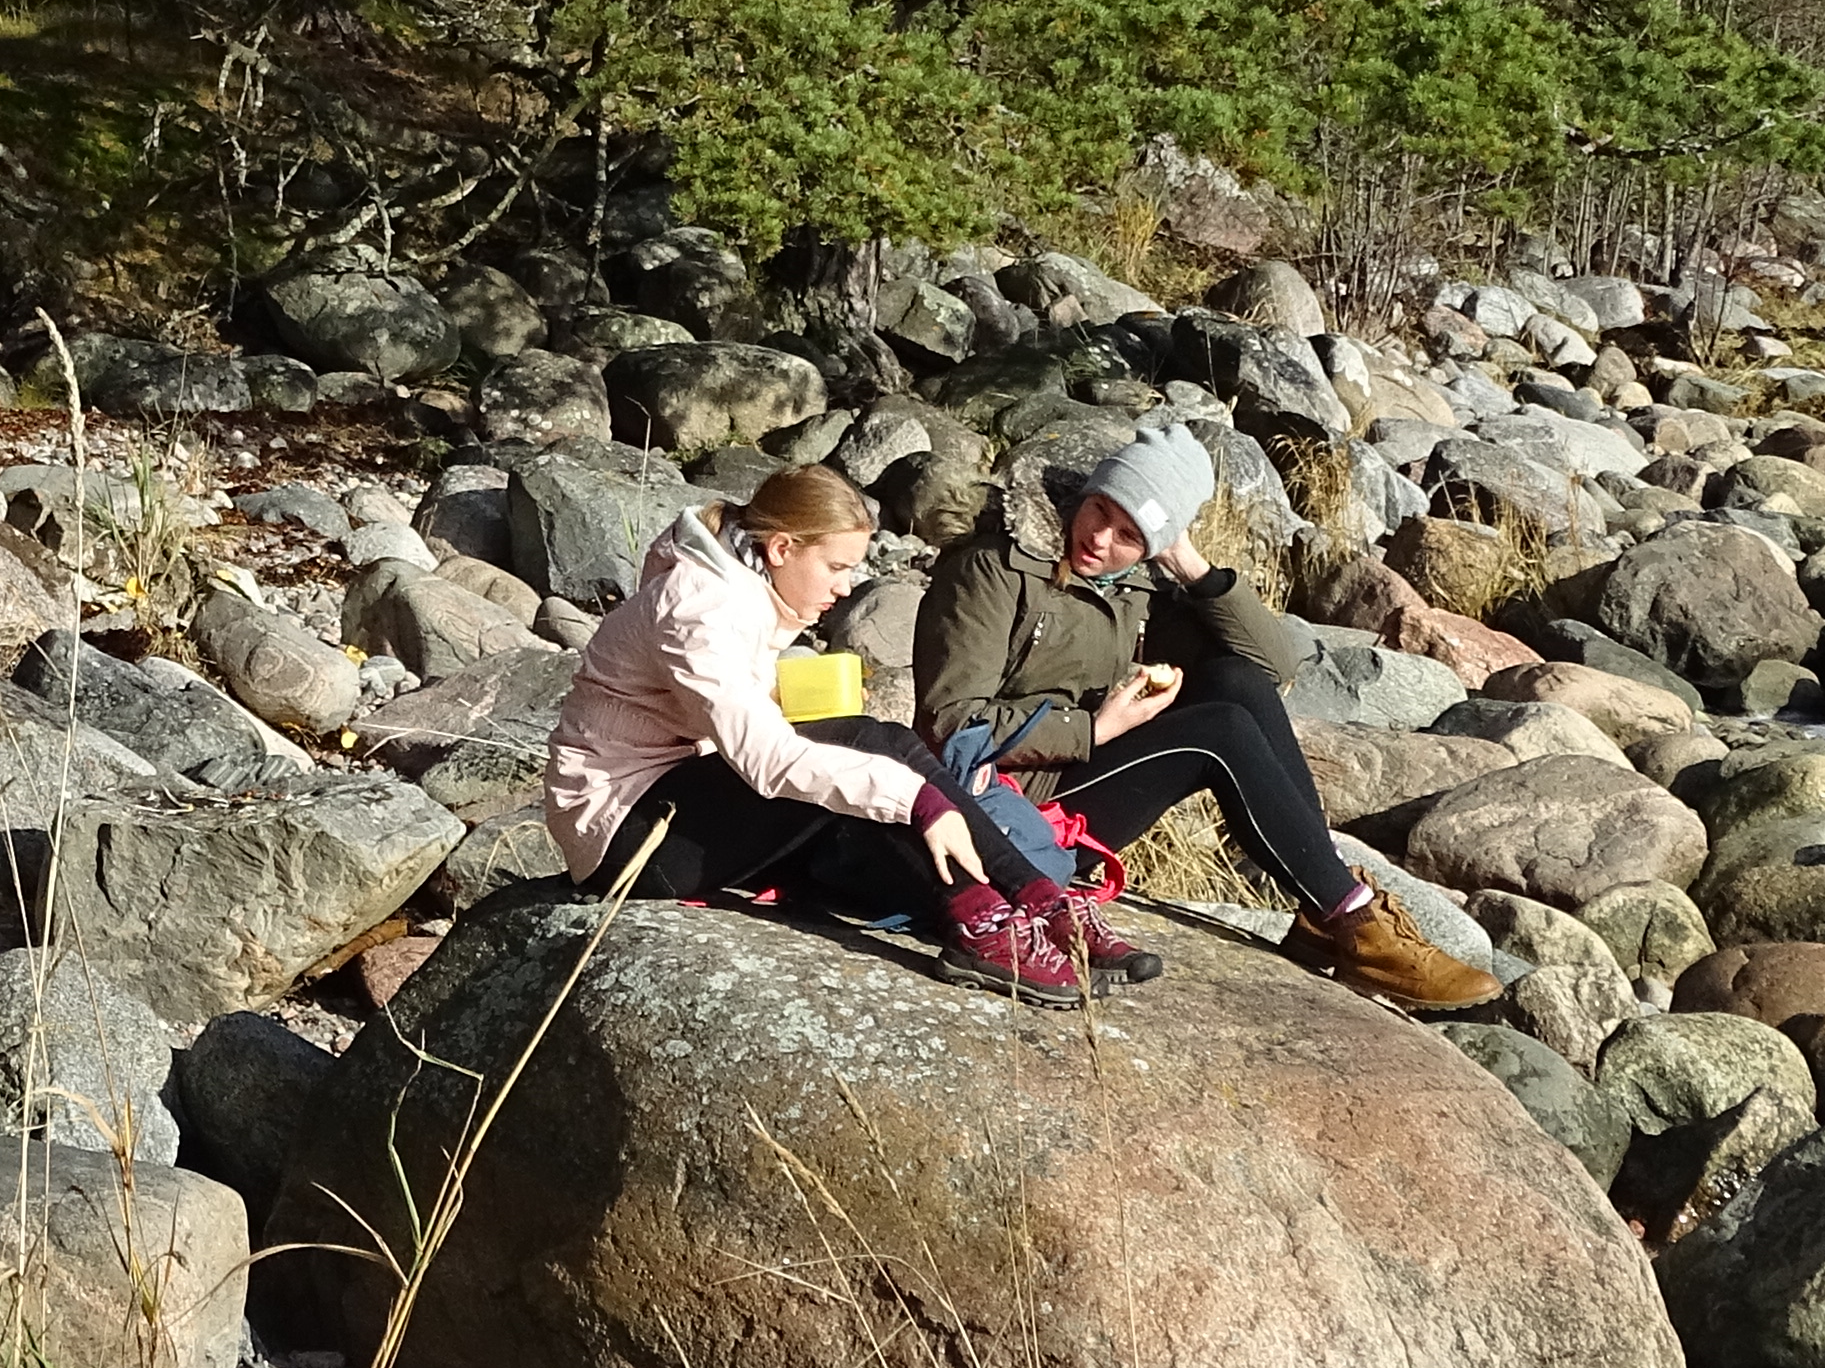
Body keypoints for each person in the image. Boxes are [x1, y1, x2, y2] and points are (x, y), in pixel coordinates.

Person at [912, 428, 1500, 1015]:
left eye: (1130, 535)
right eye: (1099, 508)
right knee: (1217, 733)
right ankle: (1350, 917)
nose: (1098, 539)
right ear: (1086, 492)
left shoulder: (1131, 584)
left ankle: (1333, 908)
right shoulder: (993, 567)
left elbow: (1272, 665)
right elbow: (951, 725)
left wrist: (1186, 562)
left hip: (1071, 771)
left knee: (1233, 683)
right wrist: (1095, 729)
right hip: (1001, 804)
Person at [545, 461, 1102, 1008]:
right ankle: (995, 917)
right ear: (782, 548)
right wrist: (917, 799)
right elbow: (767, 760)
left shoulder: (739, 584)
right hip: (623, 835)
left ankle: (1030, 899)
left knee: (871, 750)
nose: (846, 586)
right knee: (871, 752)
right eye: (836, 567)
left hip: (667, 801)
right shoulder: (703, 607)